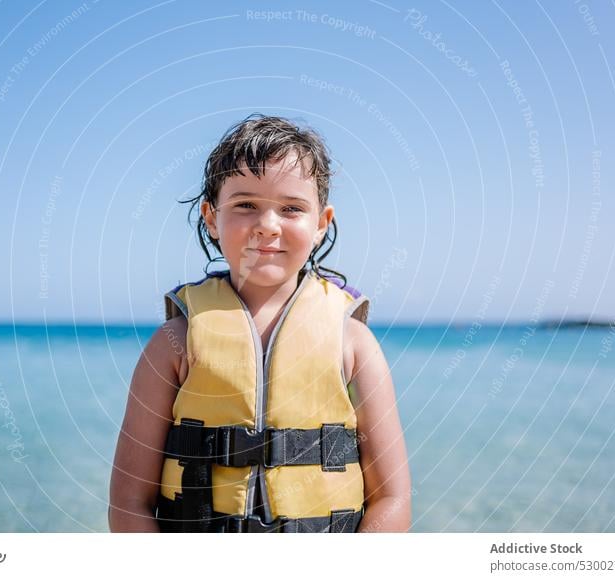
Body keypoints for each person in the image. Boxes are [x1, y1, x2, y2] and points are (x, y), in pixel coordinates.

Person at [109, 114, 410, 532]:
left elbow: (392, 500)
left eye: (291, 209)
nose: (267, 226)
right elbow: (129, 502)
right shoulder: (174, 342)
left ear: (321, 223)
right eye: (246, 205)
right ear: (211, 217)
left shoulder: (353, 343)